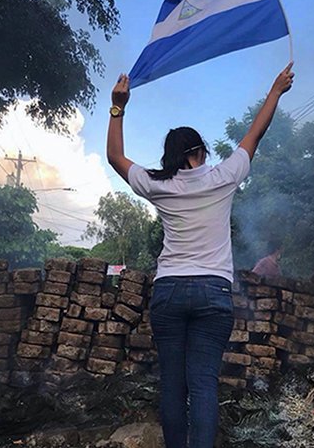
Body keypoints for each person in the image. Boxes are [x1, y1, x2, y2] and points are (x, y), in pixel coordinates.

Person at [106, 63, 294, 448]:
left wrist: (118, 107)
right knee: (204, 384)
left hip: (170, 292)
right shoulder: (223, 177)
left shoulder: (158, 185)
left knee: (173, 385)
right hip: (213, 294)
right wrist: (275, 90)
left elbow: (114, 157)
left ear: (172, 156)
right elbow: (255, 133)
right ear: (199, 152)